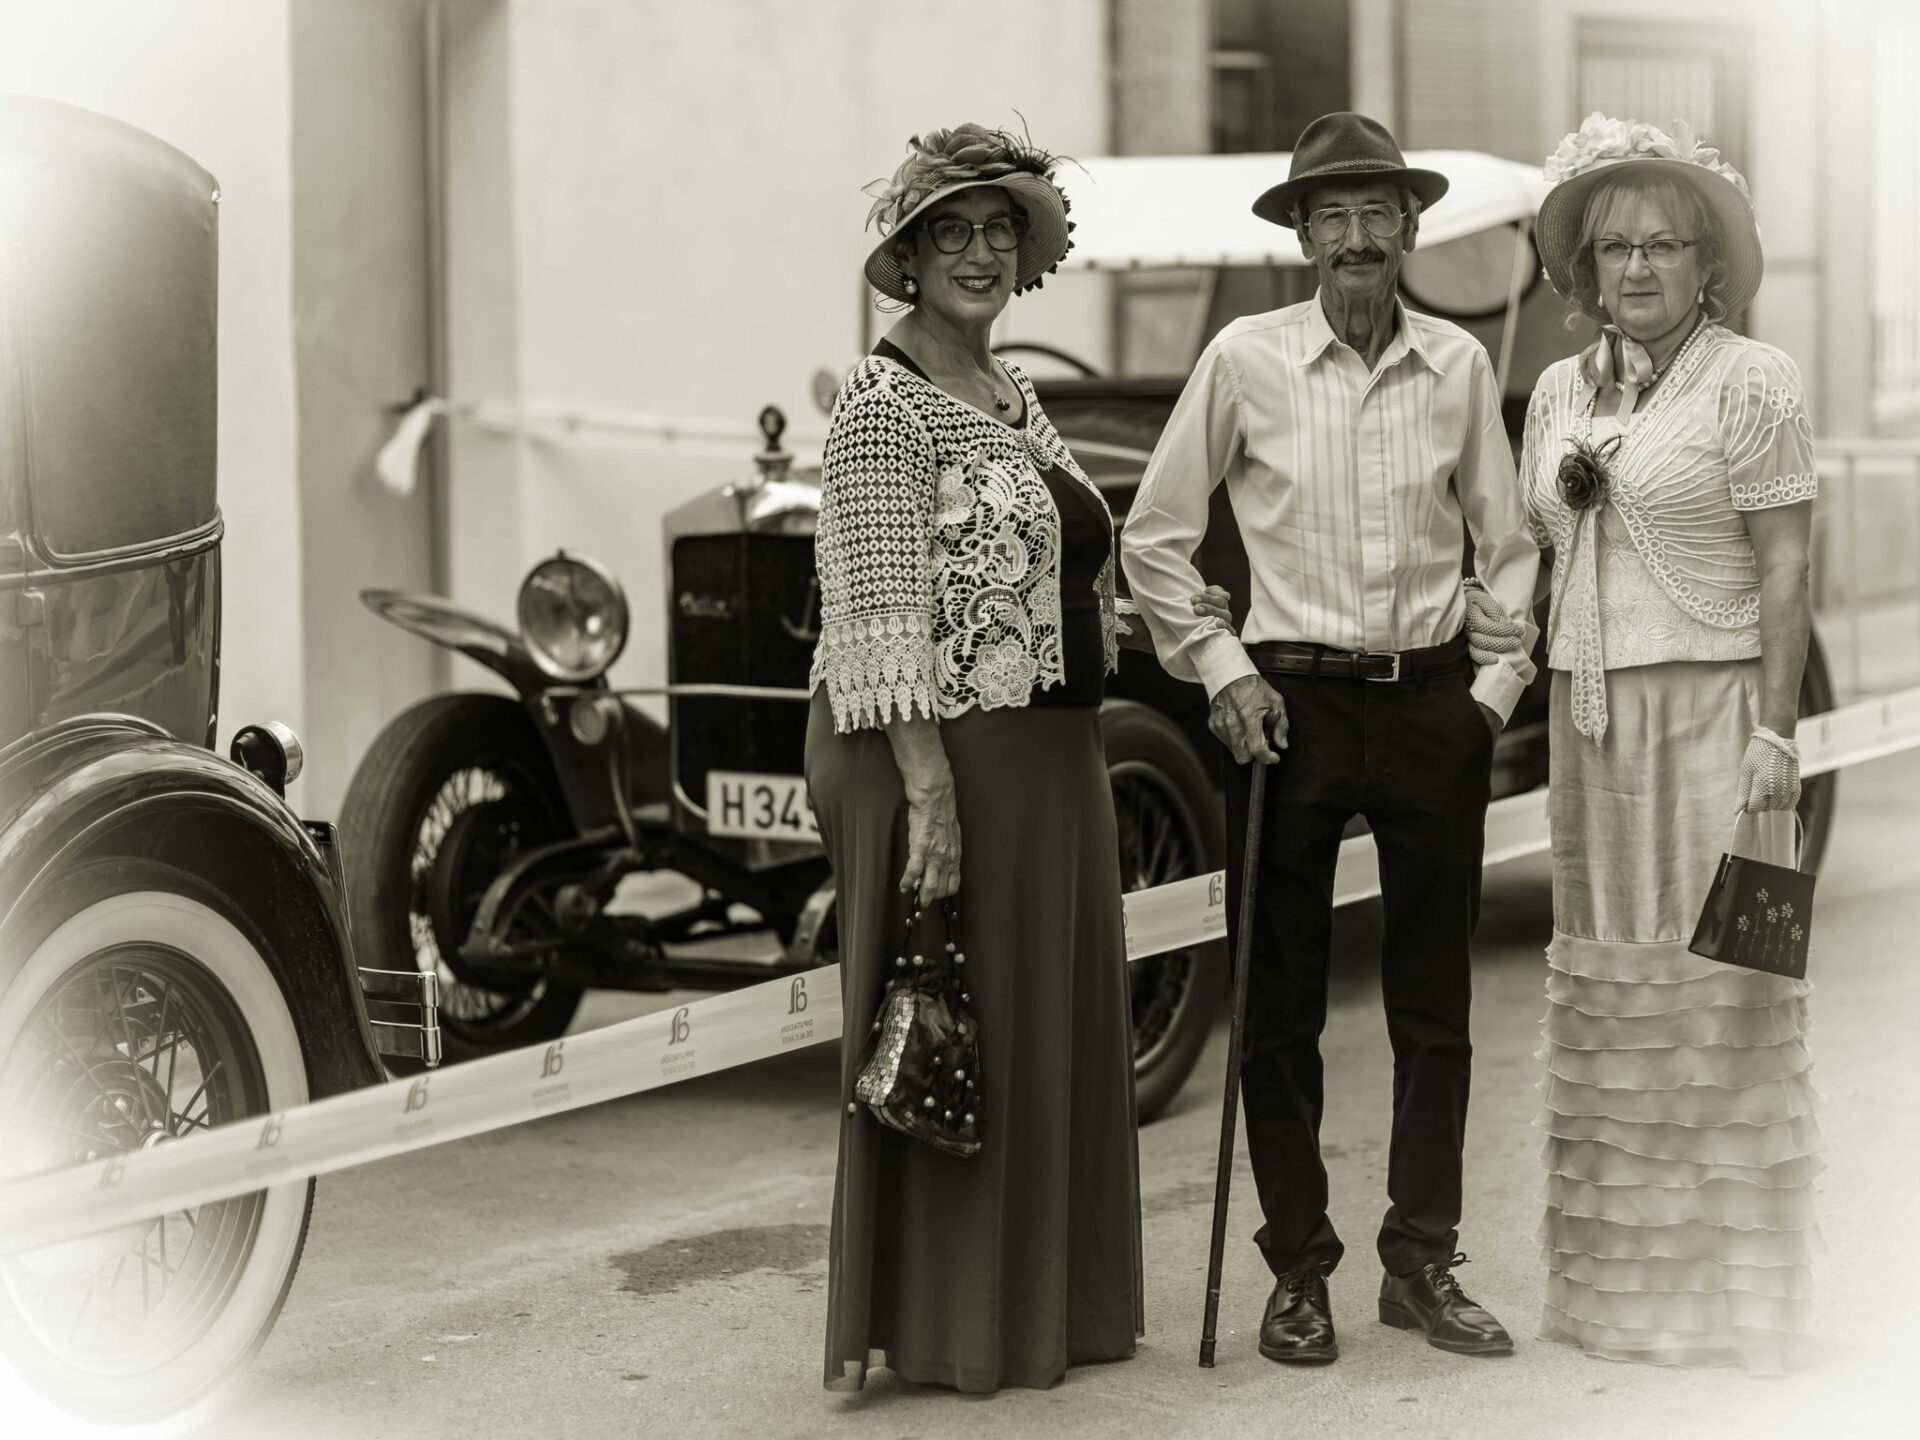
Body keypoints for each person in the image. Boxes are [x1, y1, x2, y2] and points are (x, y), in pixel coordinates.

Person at [1124, 111, 1540, 1366]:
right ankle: (1297, 1267)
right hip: (1287, 712)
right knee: (1277, 1010)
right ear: (1301, 236)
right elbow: (1154, 536)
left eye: (1377, 214)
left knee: (1434, 1005)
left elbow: (1509, 545)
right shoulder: (1243, 360)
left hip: (1429, 704)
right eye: (1333, 216)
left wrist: (1487, 699)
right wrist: (1223, 671)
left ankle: (1422, 1259)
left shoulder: (1457, 366)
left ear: (1410, 229)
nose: (1358, 238)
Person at [1469, 113, 1821, 1373]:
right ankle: (1626, 1298)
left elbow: (1786, 571)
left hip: (1713, 721)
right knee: (1617, 999)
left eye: (1664, 246)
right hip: (1593, 731)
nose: (1636, 269)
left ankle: (1735, 1305)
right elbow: (1541, 559)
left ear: (1705, 263)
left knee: (1720, 998)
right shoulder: (1561, 393)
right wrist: (1497, 645)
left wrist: (1776, 733)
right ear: (1584, 268)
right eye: (1615, 248)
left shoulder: (1754, 380)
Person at [804, 122, 1143, 1394]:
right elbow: (877, 611)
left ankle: (1049, 1306)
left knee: (1045, 1029)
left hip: (1050, 761)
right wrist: (931, 795)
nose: (981, 253)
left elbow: (1048, 557)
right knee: (957, 1024)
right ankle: (952, 1324)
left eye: (1001, 230)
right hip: (947, 757)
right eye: (952, 231)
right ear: (909, 253)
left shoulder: (1011, 390)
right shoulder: (882, 406)